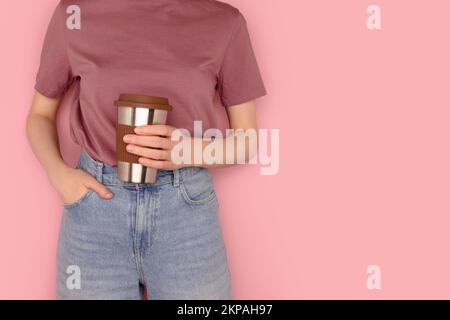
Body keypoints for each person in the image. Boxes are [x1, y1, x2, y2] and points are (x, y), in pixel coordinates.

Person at [26, 0, 267, 300]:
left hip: (186, 215)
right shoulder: (75, 14)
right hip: (95, 210)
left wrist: (187, 152)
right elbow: (40, 115)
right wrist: (59, 174)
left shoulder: (225, 23)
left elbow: (247, 142)